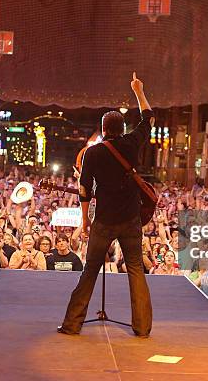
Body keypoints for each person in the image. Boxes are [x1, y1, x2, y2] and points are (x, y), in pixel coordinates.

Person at [58, 72, 154, 337]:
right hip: (131, 217)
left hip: (104, 220)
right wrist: (138, 91)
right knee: (135, 268)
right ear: (122, 129)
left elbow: (85, 189)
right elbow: (149, 118)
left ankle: (72, 324)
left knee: (90, 270)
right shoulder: (133, 143)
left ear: (102, 131)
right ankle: (143, 327)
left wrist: (85, 220)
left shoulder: (93, 153)